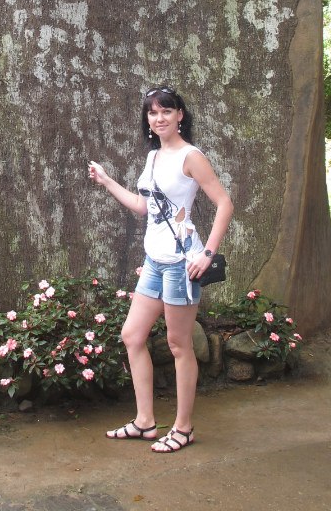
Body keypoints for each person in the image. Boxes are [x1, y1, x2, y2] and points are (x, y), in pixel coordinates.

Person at [88, 85, 233, 454]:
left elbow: (224, 203)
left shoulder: (191, 156)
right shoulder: (153, 157)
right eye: (153, 113)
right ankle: (145, 422)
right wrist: (106, 181)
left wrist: (208, 253)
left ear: (180, 114)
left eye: (166, 111)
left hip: (182, 265)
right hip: (154, 262)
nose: (160, 118)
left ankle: (183, 428)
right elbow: (143, 206)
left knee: (178, 345)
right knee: (133, 336)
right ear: (148, 120)